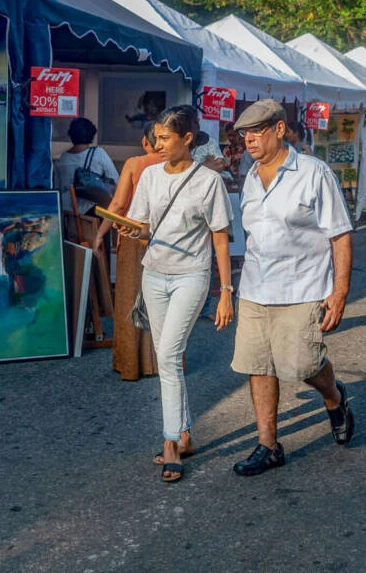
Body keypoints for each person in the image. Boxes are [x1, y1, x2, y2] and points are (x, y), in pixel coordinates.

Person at [229, 99, 355, 476]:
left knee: (303, 364)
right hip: (255, 288)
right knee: (258, 364)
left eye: (256, 132)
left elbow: (341, 236)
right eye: (244, 135)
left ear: (279, 130)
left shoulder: (314, 173)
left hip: (303, 287)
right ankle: (268, 445)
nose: (248, 141)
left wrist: (340, 291)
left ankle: (334, 397)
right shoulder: (250, 176)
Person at [121, 105, 234, 483]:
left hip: (192, 276)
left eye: (165, 138)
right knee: (168, 358)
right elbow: (142, 226)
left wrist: (226, 291)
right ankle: (184, 434)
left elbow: (220, 238)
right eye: (156, 137)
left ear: (188, 139)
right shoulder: (151, 176)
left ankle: (170, 442)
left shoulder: (208, 182)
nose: (158, 144)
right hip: (154, 274)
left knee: (167, 355)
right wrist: (130, 231)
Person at [93, 120, 163, 381]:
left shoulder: (135, 164)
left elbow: (118, 204)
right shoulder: (177, 165)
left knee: (129, 299)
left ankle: (132, 365)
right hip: (166, 239)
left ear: (146, 142)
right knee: (163, 302)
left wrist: (100, 234)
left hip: (134, 238)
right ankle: (162, 363)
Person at [53, 117, 119, 215]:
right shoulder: (98, 153)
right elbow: (116, 180)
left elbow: (57, 188)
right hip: (91, 213)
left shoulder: (63, 158)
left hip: (66, 213)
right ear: (92, 134)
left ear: (71, 134)